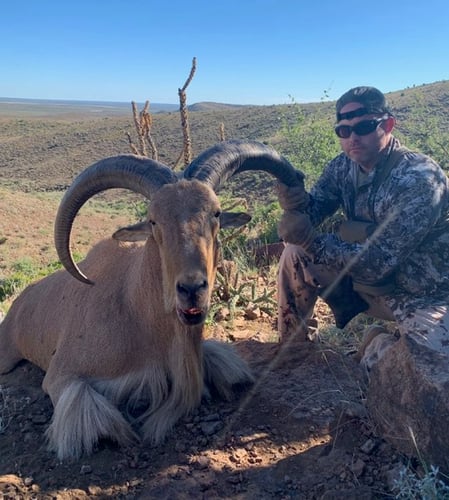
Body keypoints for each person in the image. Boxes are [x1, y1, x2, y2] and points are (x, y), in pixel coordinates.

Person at [276, 85, 449, 370]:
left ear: (389, 124)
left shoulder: (420, 179)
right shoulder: (343, 166)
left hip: (422, 295)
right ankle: (293, 350)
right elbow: (314, 210)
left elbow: (379, 263)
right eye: (343, 131)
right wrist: (296, 203)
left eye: (365, 127)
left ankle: (378, 345)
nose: (353, 137)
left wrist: (311, 240)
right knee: (293, 253)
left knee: (432, 370)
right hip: (364, 283)